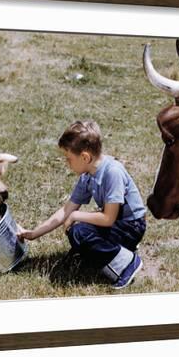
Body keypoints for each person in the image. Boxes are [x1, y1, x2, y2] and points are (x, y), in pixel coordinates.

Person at [18, 120, 146, 289]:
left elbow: (108, 218)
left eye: (69, 158)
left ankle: (127, 264)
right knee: (77, 231)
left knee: (80, 231)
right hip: (116, 223)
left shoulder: (112, 172)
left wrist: (76, 215)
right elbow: (66, 210)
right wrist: (33, 234)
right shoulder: (87, 175)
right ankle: (113, 249)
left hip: (131, 226)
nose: (67, 163)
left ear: (85, 157)